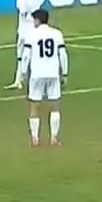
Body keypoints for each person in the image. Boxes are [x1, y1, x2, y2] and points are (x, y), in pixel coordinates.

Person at [19, 9, 68, 147]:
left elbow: (26, 56)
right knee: (55, 106)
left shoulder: (32, 34)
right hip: (53, 74)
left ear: (38, 20)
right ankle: (54, 138)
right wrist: (64, 73)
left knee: (34, 106)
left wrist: (23, 73)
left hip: (37, 74)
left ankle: (35, 138)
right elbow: (63, 55)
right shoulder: (57, 34)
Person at [5, 0, 42, 90]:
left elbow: (37, 19)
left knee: (32, 57)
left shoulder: (34, 1)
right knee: (20, 57)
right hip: (21, 32)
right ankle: (18, 81)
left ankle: (36, 80)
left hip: (31, 34)